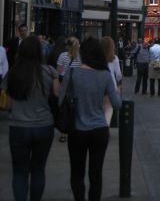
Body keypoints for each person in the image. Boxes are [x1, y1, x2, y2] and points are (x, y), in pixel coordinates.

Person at [59, 37, 122, 201]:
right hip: (99, 129)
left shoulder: (72, 73)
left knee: (77, 172)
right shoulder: (105, 75)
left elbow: (61, 100)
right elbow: (116, 104)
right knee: (96, 173)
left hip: (77, 129)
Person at [3, 36, 58, 201]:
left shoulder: (12, 72)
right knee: (38, 170)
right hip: (44, 125)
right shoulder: (49, 71)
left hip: (18, 126)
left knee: (19, 172)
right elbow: (57, 95)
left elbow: (6, 104)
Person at [100, 36, 123, 125]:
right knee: (108, 108)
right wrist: (119, 85)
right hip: (110, 85)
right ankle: (105, 128)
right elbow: (118, 75)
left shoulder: (96, 57)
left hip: (98, 84)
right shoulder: (114, 58)